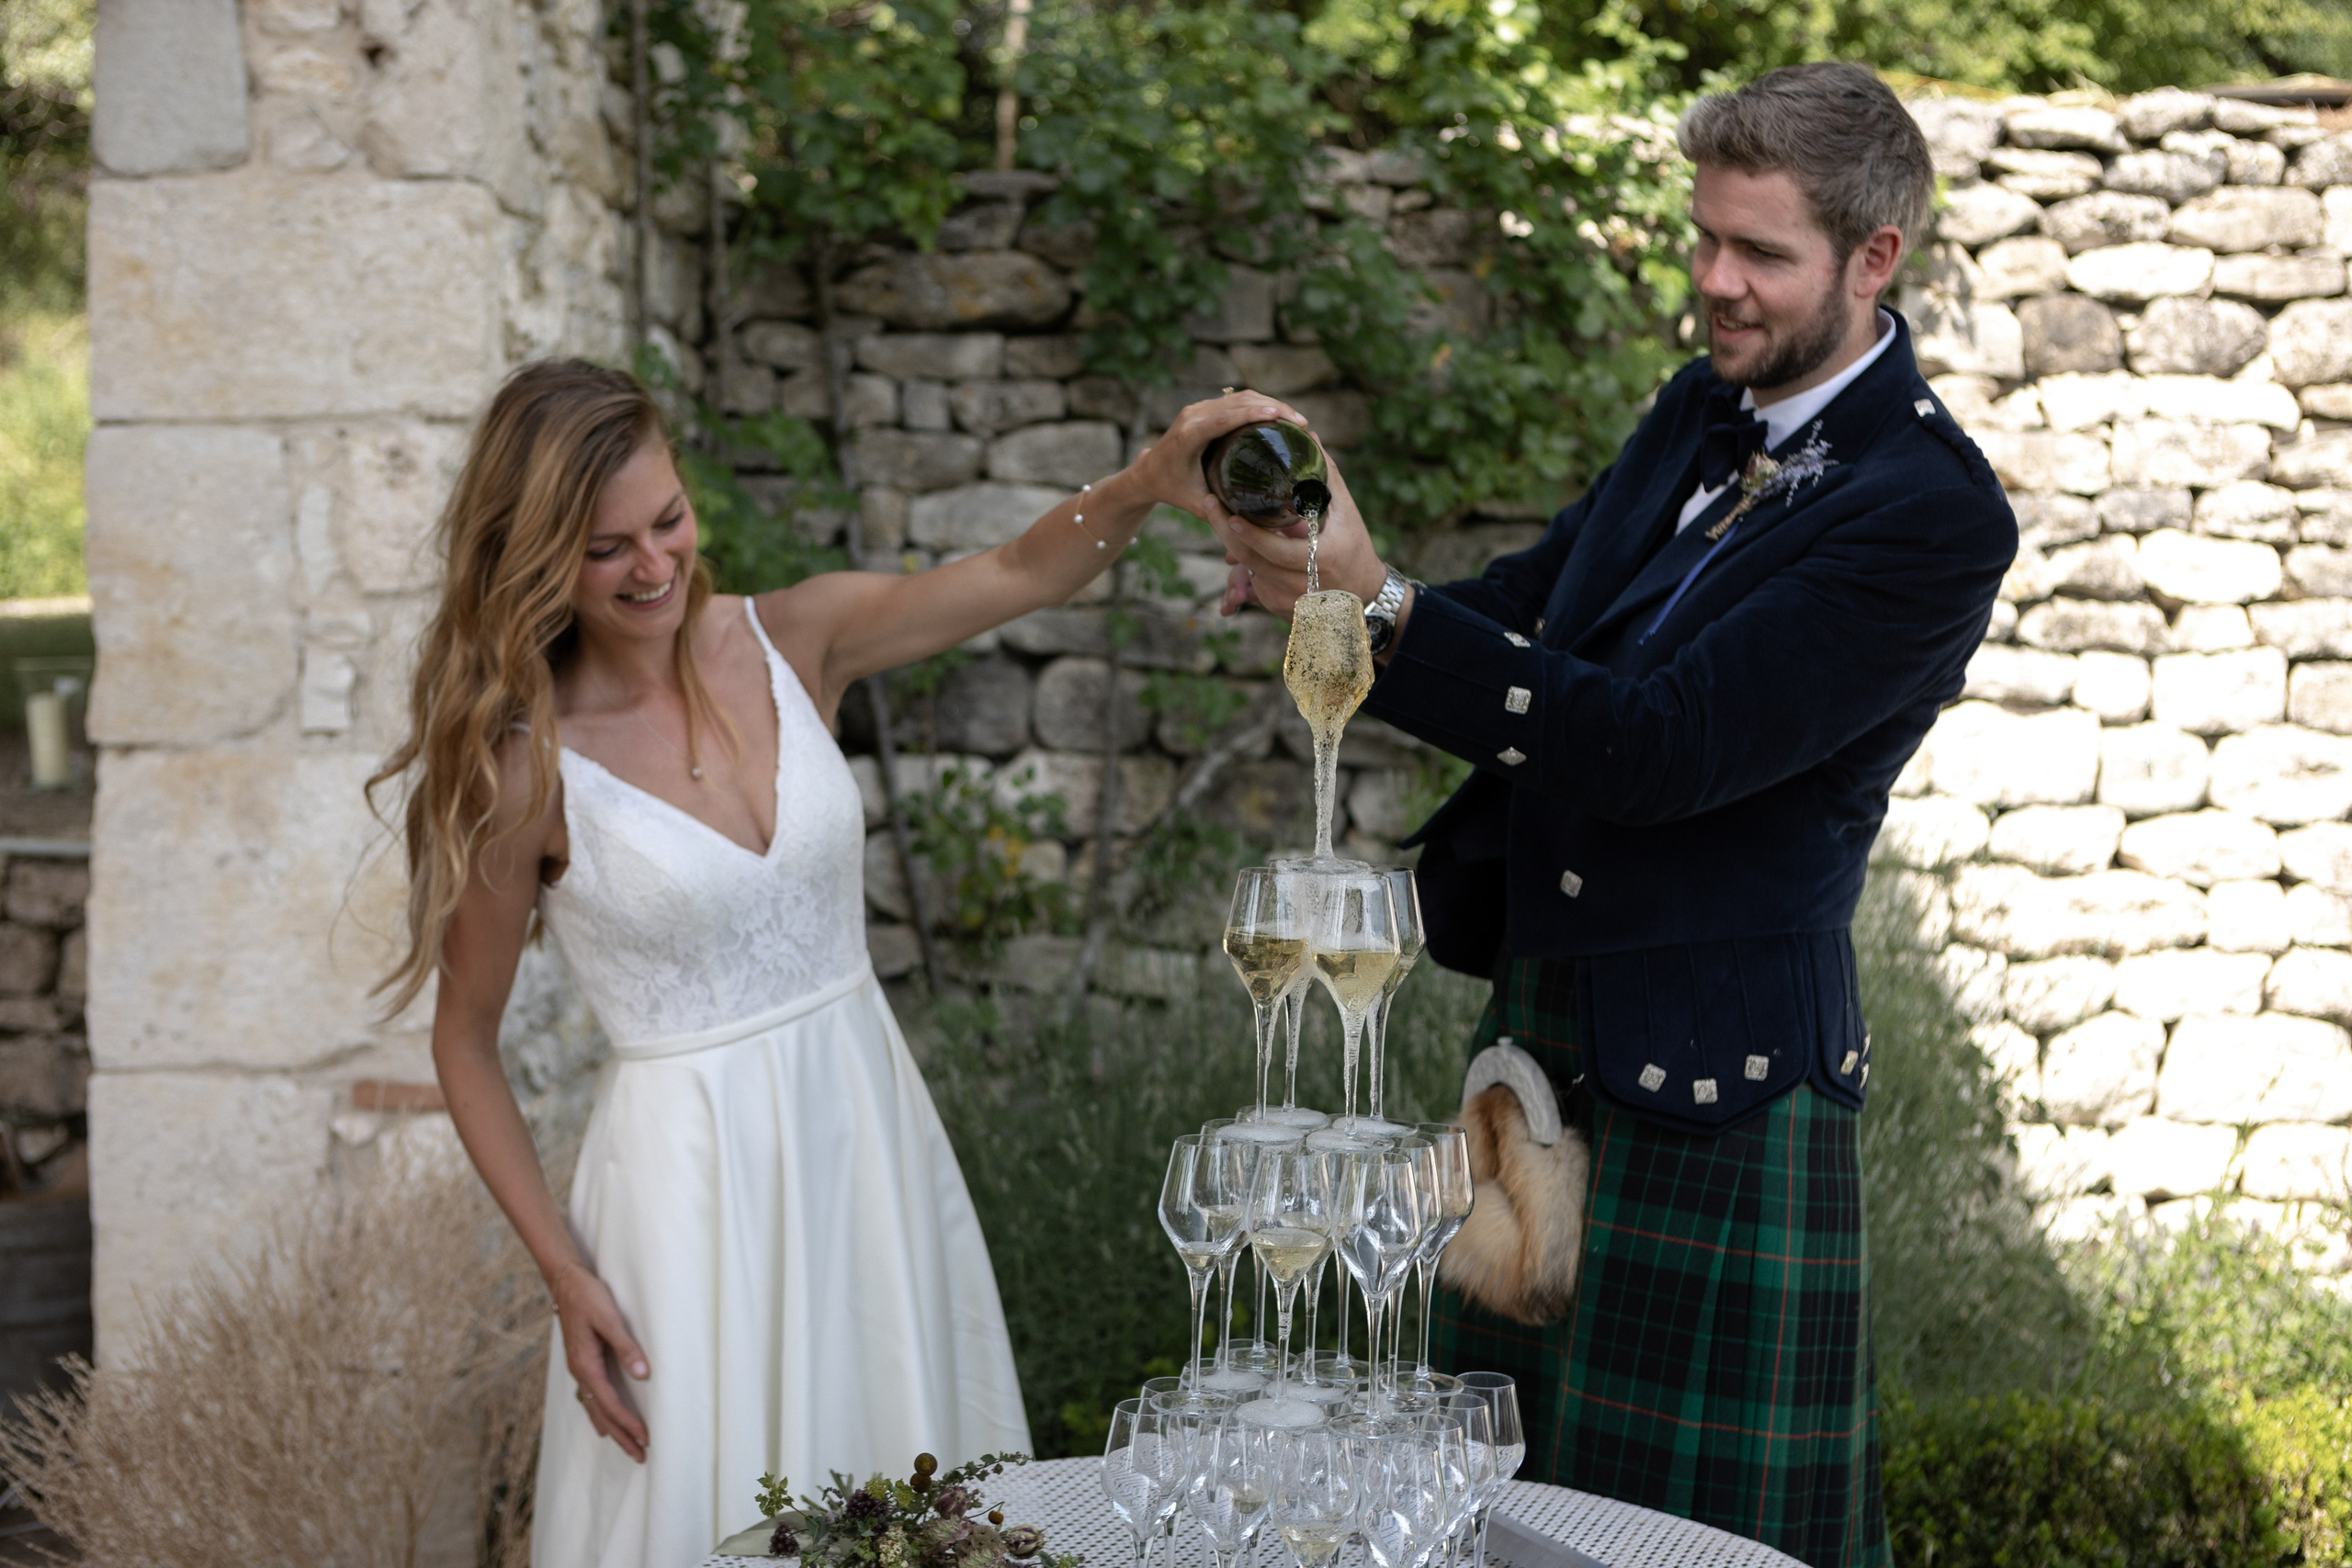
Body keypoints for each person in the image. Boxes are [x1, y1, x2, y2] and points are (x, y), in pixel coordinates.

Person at [1205, 63, 2015, 1568]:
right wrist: (1327, 590)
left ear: (1876, 256)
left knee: (1690, 1545)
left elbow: (1659, 749)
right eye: (1704, 237)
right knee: (1489, 1513)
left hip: (1720, 1086)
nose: (1715, 280)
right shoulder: (1702, 411)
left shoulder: (1931, 510)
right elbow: (1538, 609)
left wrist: (1382, 605)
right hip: (1542, 1043)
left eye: (1760, 252)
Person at [370, 360, 1306, 1568]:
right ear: (539, 556)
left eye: (668, 521)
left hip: (866, 1143)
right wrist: (563, 1272)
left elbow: (1019, 571)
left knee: (909, 1489)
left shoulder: (792, 637)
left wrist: (1145, 484)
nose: (654, 567)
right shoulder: (523, 768)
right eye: (606, 550)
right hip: (685, 1201)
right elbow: (464, 1041)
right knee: (710, 1512)